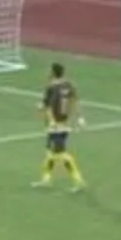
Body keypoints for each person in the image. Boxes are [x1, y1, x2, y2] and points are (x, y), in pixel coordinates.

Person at [33, 62, 86, 191]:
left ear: (53, 72)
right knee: (50, 152)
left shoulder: (51, 87)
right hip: (64, 122)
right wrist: (80, 118)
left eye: (49, 71)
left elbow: (48, 107)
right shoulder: (69, 85)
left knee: (61, 154)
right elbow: (75, 101)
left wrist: (52, 122)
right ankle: (46, 179)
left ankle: (78, 180)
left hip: (55, 125)